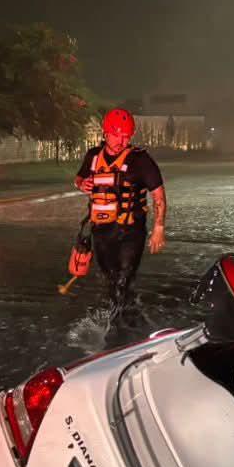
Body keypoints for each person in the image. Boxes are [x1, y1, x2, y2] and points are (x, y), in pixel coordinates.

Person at [74, 108, 166, 326]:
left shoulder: (141, 160)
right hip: (101, 231)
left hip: (131, 232)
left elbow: (159, 196)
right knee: (110, 278)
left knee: (123, 278)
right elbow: (79, 178)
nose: (122, 141)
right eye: (117, 135)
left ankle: (119, 326)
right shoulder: (93, 156)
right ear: (106, 133)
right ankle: (125, 308)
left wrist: (159, 228)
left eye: (127, 136)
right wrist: (80, 184)